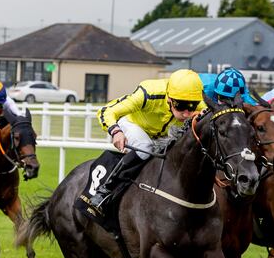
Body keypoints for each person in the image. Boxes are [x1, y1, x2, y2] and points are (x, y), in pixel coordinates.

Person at [87, 69, 205, 214]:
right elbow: (106, 111)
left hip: (162, 135)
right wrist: (116, 131)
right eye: (180, 106)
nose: (186, 113)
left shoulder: (198, 102)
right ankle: (106, 190)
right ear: (169, 98)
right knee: (145, 146)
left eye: (192, 106)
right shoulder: (149, 93)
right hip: (133, 124)